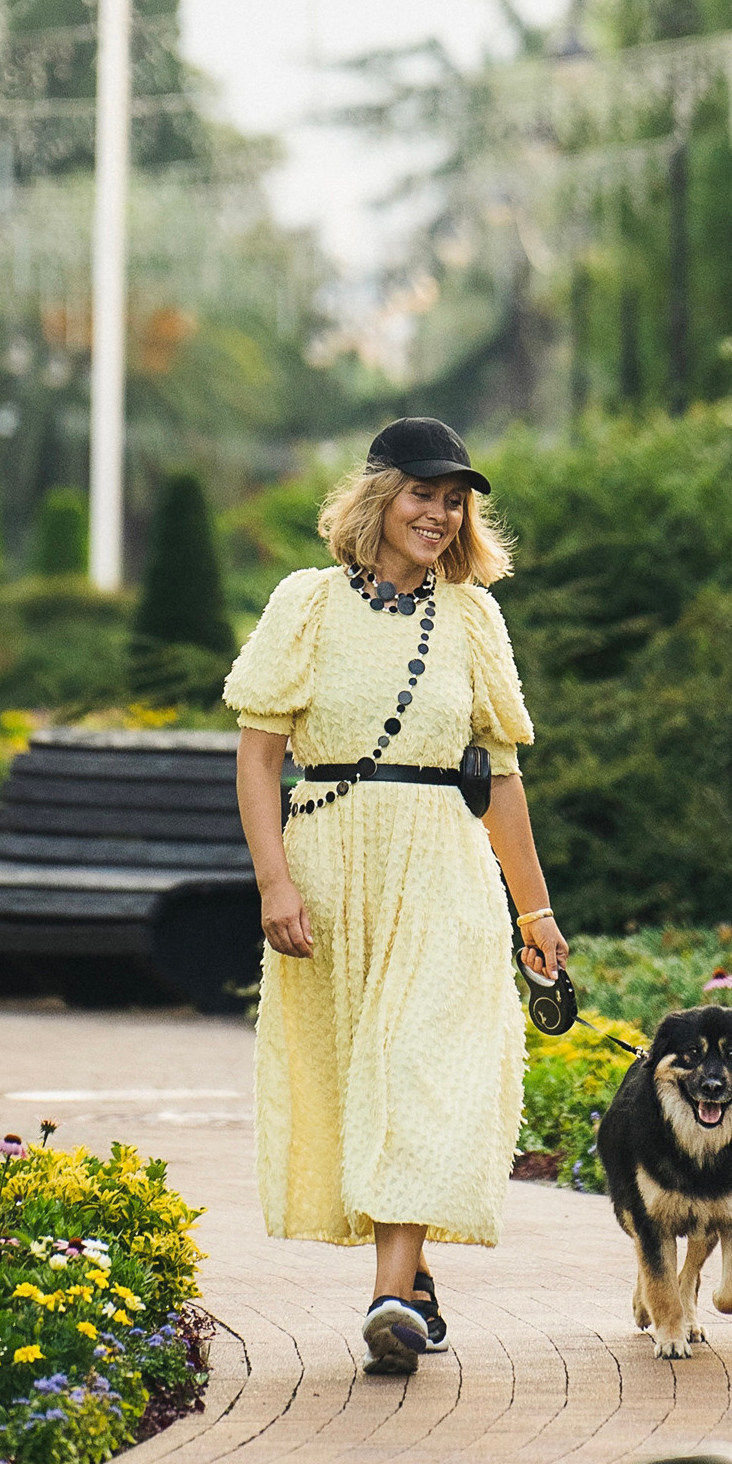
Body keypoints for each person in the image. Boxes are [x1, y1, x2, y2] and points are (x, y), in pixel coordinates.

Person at [225, 416, 568, 1375]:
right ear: (381, 497)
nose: (440, 513)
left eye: (455, 499)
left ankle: (389, 1296)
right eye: (424, 493)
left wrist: (534, 914)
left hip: (442, 867)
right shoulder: (305, 604)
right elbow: (257, 760)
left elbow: (501, 779)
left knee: (418, 1062)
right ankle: (408, 1273)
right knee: (354, 1073)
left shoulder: (472, 617)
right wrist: (274, 882)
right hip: (330, 867)